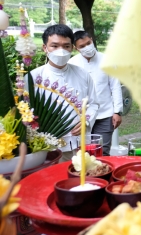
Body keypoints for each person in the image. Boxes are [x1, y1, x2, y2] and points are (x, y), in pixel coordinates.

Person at [26, 25, 98, 161]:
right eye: (55, 46)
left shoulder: (83, 74)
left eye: (66, 46)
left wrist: (86, 121)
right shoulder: (33, 78)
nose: (61, 51)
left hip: (81, 144)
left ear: (72, 47)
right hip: (49, 148)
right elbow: (26, 114)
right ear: (45, 48)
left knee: (82, 179)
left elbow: (93, 103)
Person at [69, 31, 123, 156]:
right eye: (82, 46)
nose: (87, 47)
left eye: (89, 43)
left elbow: (115, 86)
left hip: (105, 114)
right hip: (81, 117)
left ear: (92, 40)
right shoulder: (72, 63)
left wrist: (117, 111)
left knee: (102, 152)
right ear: (76, 48)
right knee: (83, 153)